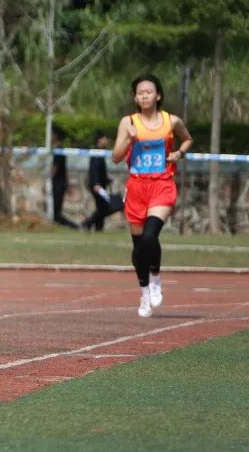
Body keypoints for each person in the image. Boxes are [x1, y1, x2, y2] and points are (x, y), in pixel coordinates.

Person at [112, 74, 193, 318]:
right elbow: (116, 157)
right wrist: (129, 139)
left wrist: (179, 153)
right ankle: (144, 292)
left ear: (158, 95)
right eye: (140, 93)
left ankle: (155, 276)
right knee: (139, 246)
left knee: (150, 235)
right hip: (137, 187)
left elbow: (188, 139)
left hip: (161, 184)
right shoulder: (128, 122)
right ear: (135, 98)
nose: (145, 95)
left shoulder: (171, 121)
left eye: (149, 91)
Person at [81, 131, 120, 231]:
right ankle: (87, 223)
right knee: (103, 207)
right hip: (97, 185)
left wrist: (107, 179)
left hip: (100, 184)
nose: (106, 141)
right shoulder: (96, 153)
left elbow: (100, 170)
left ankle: (98, 228)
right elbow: (94, 169)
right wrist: (96, 183)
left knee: (102, 207)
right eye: (104, 138)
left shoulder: (101, 152)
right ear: (99, 140)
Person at [50, 127, 79, 229]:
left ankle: (75, 227)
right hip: (59, 182)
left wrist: (49, 179)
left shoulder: (59, 150)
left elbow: (56, 168)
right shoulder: (58, 149)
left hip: (58, 183)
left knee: (56, 214)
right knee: (55, 212)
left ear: (56, 135)